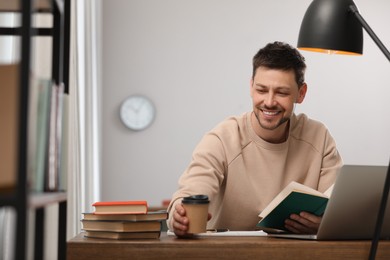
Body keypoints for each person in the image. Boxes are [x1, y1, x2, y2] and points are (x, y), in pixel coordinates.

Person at [167, 41, 343, 237]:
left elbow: (337, 211)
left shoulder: (319, 137)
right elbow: (191, 193)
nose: (269, 102)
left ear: (301, 94)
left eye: (281, 92)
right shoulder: (222, 138)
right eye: (261, 90)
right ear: (251, 87)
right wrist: (178, 216)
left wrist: (324, 224)